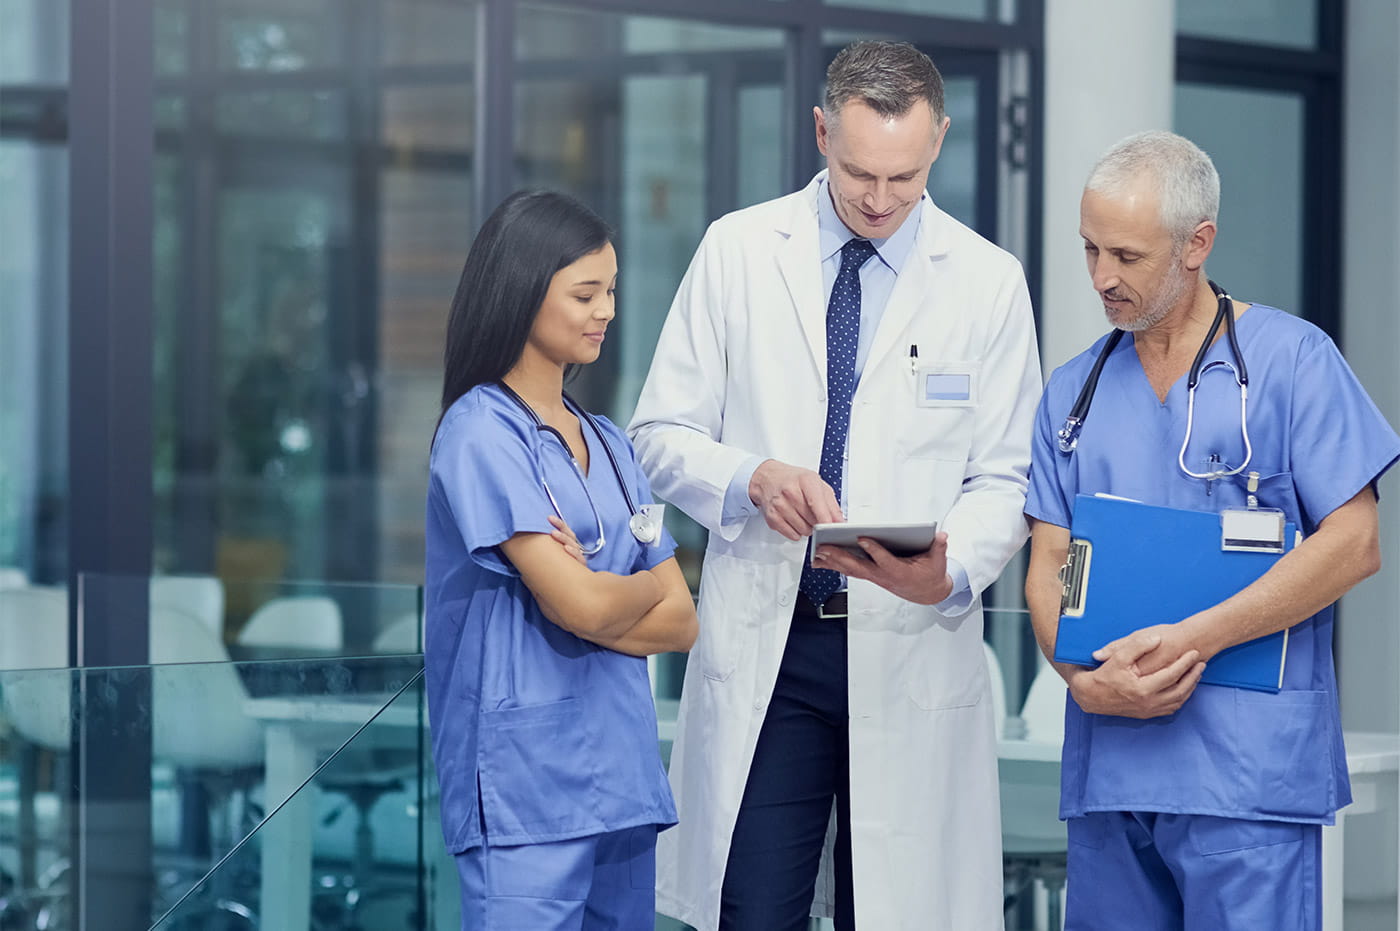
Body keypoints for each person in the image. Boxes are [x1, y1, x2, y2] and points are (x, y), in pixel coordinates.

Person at [628, 40, 1042, 930]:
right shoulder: (739, 251)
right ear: (822, 133)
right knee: (752, 908)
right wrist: (748, 477)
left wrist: (952, 566)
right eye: (860, 174)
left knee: (890, 910)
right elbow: (657, 436)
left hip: (909, 639)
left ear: (939, 141)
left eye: (905, 177)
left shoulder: (988, 283)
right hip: (774, 649)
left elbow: (1007, 474)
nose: (881, 200)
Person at [1023, 131, 1400, 929]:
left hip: (1247, 776)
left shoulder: (1293, 363)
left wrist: (1194, 638)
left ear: (1197, 244)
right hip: (1112, 769)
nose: (1101, 276)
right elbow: (1050, 559)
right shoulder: (1074, 391)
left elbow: (1354, 542)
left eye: (1126, 255)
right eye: (1090, 248)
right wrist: (1077, 678)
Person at [424, 189, 698, 930]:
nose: (605, 310)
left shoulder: (610, 442)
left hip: (623, 781)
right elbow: (582, 606)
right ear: (522, 292)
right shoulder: (481, 433)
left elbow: (682, 621)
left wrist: (595, 590)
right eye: (584, 294)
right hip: (524, 787)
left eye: (610, 290)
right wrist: (623, 588)